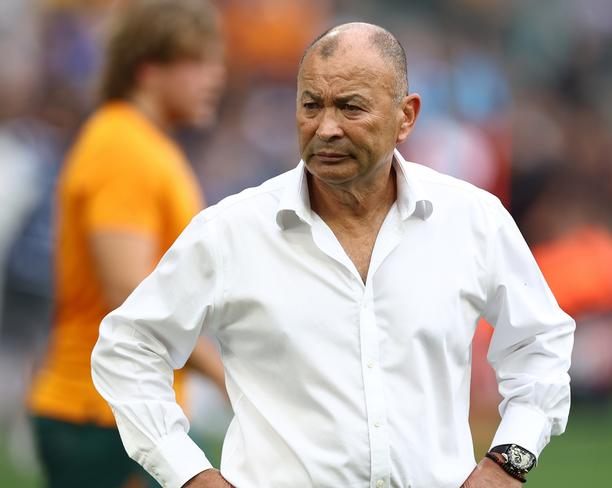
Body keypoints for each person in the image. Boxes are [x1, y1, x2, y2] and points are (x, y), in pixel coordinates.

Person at [92, 22, 575, 488]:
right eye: (310, 105)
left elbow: (540, 343)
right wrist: (189, 475)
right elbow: (128, 348)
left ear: (405, 116)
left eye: (350, 107)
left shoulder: (472, 220)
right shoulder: (232, 232)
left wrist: (509, 460)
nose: (325, 128)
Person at [28, 1, 228, 487]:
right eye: (198, 62)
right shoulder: (123, 147)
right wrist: (225, 374)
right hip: (102, 411)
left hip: (117, 409)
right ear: (148, 70)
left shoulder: (144, 145)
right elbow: (131, 293)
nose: (216, 78)